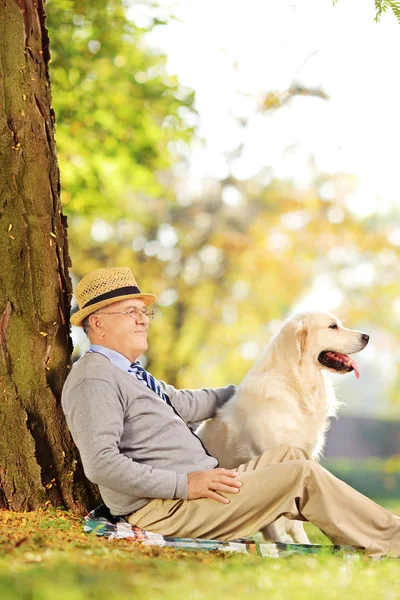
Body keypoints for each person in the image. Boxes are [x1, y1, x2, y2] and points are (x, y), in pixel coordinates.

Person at [62, 266, 400, 557]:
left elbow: (189, 403)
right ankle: (392, 539)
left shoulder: (132, 375)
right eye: (130, 312)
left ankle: (368, 537)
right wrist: (185, 484)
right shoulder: (94, 378)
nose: (142, 320)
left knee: (290, 456)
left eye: (143, 312)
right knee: (301, 475)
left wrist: (264, 387)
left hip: (202, 492)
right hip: (168, 508)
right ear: (98, 323)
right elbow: (101, 464)